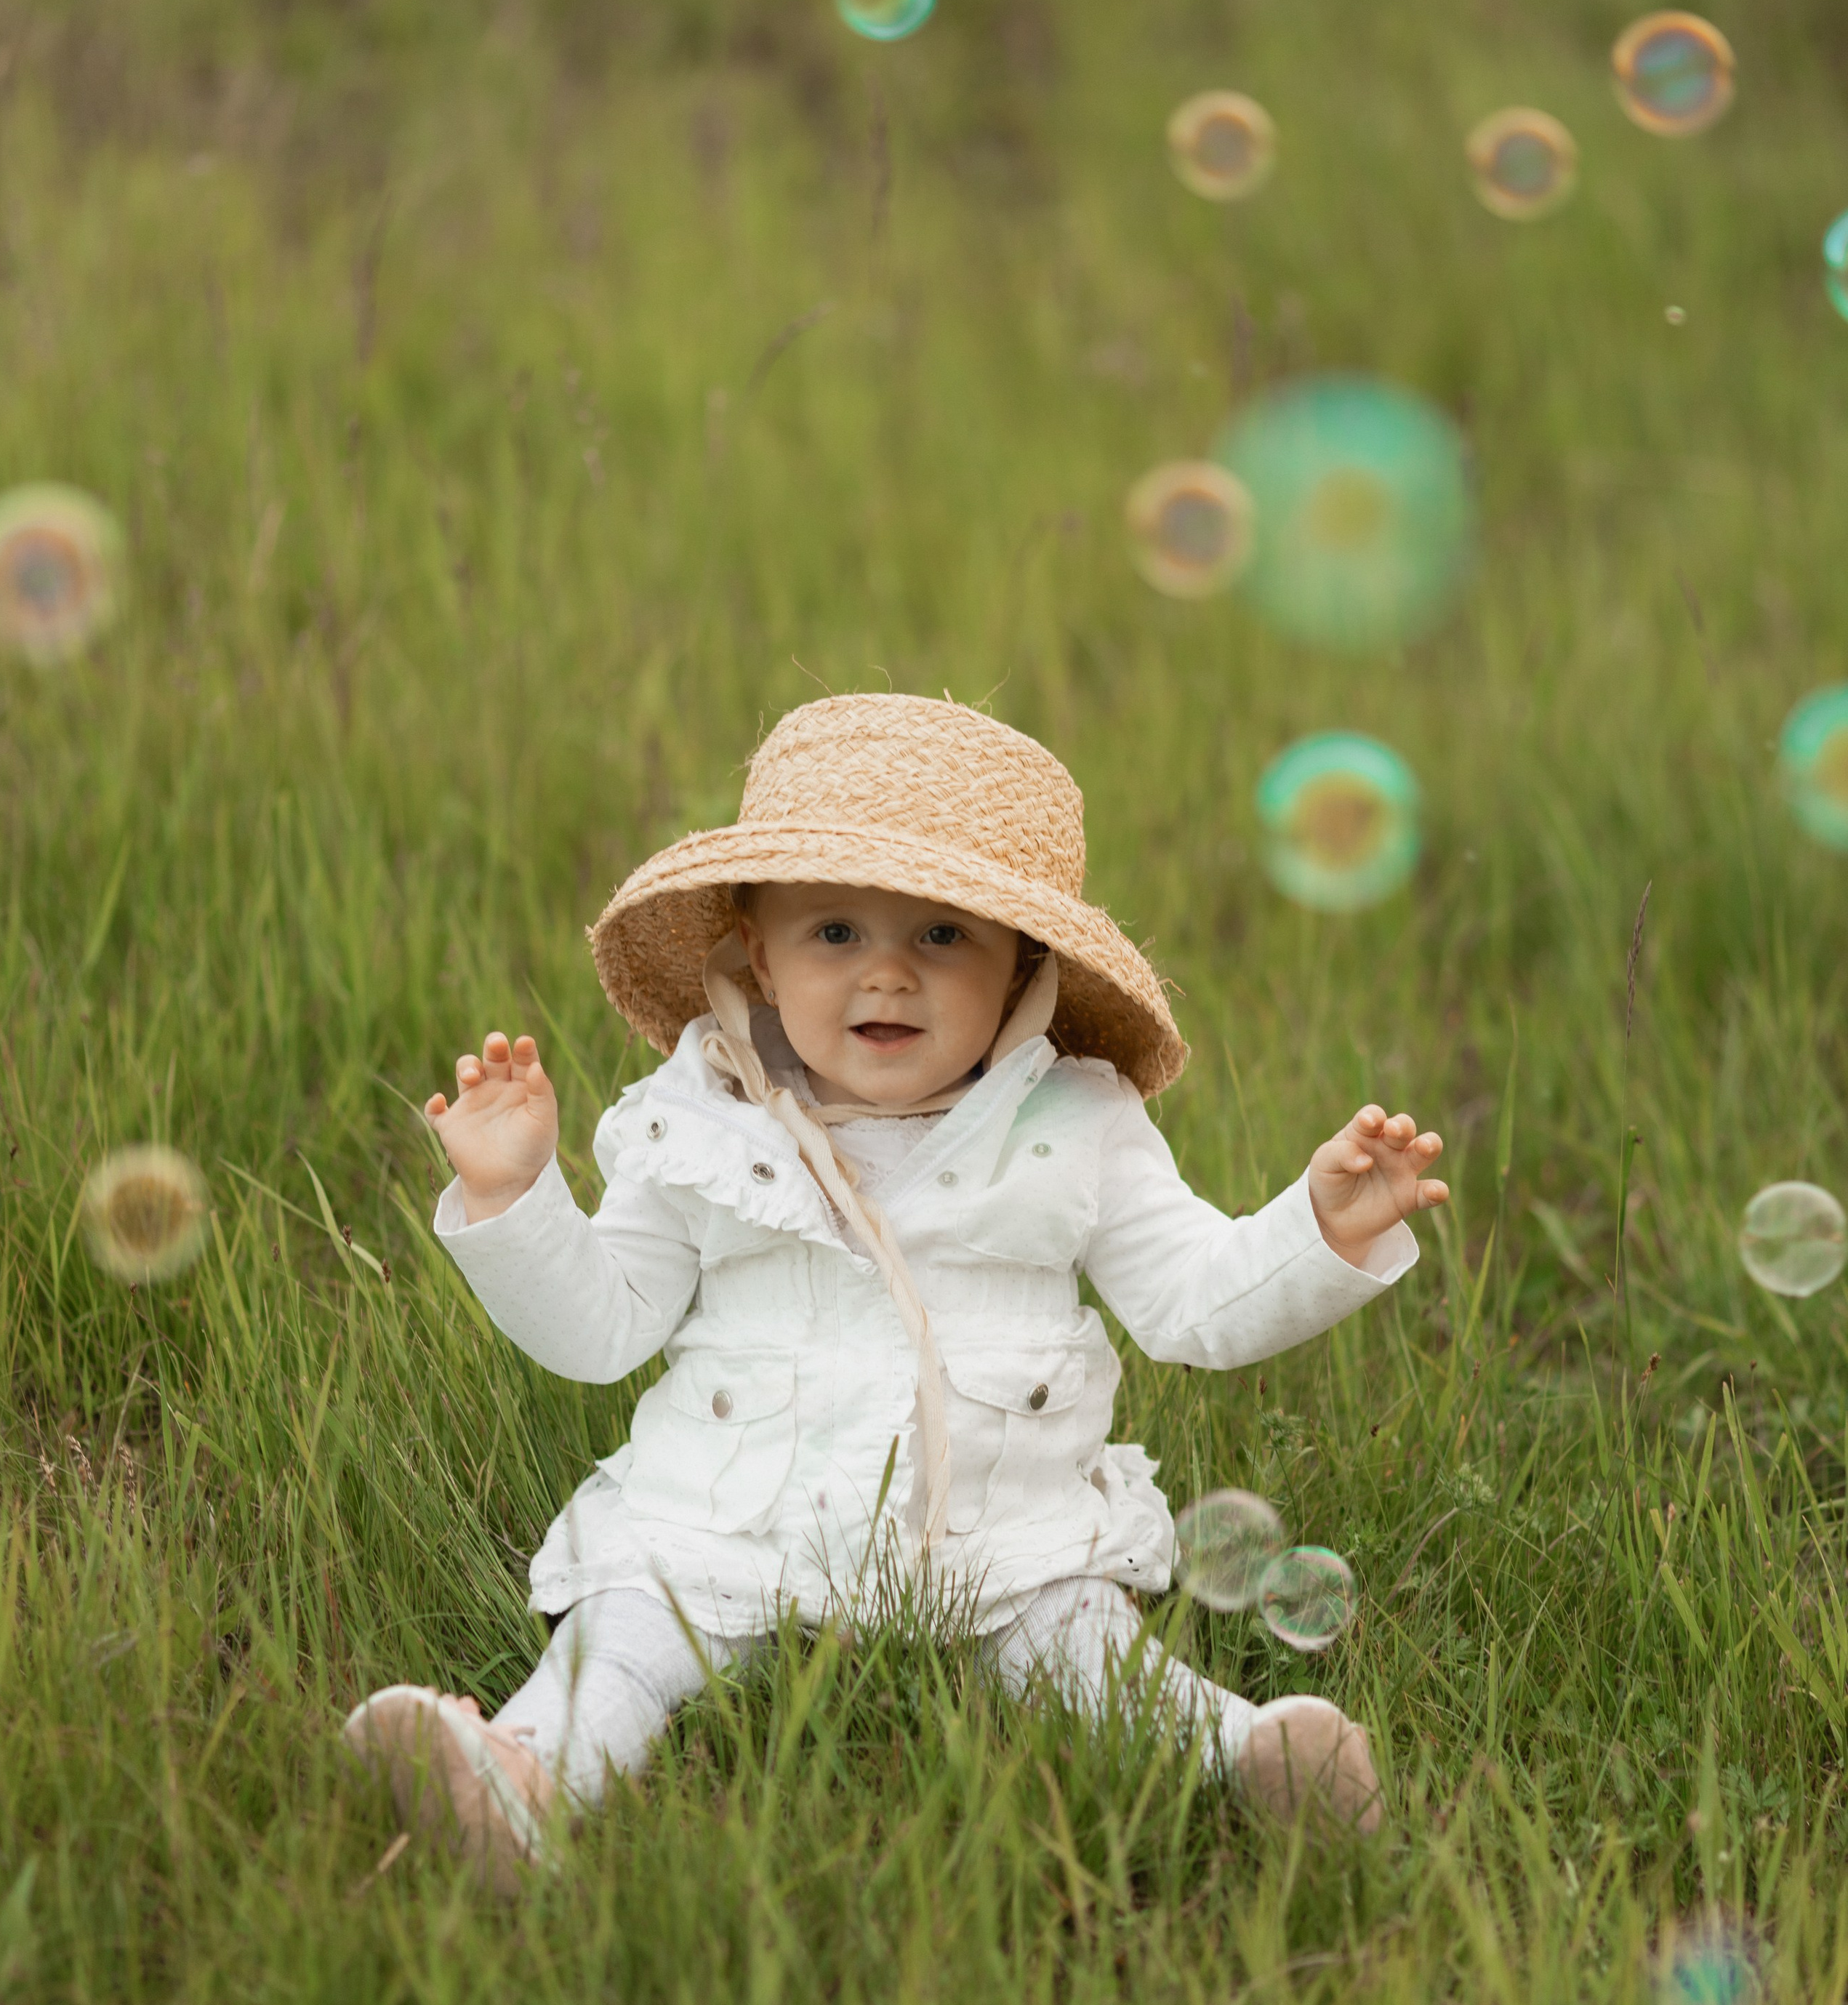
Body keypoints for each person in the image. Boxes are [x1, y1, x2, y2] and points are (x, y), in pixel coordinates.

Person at [345, 694, 1446, 1887]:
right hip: (725, 1517)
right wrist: (518, 1201)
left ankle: (1251, 1759)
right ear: (757, 955)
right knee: (628, 1633)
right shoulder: (696, 1121)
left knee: (1086, 1654)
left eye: (940, 937)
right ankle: (523, 1776)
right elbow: (603, 1332)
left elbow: (1191, 1302)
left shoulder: (1077, 1124)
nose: (887, 974)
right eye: (833, 935)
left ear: (1022, 964)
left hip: (1003, 1528)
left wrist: (1321, 1228)